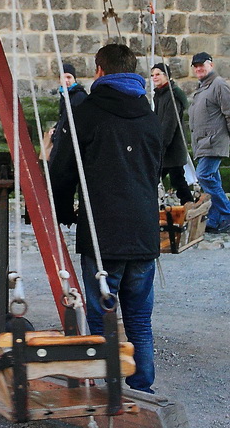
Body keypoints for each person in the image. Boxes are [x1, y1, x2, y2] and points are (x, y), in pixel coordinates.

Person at [49, 43, 161, 393]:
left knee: (100, 318)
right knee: (140, 321)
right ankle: (142, 388)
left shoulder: (86, 112)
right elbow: (154, 171)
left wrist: (63, 211)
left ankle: (107, 390)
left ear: (100, 70)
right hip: (142, 231)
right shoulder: (149, 116)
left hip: (103, 231)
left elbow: (62, 170)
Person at [189, 51, 230, 233]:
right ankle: (215, 218)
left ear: (210, 64)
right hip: (203, 142)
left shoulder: (218, 84)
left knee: (204, 175)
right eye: (195, 66)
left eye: (201, 65)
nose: (198, 69)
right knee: (212, 179)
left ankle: (228, 212)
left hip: (213, 141)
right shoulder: (203, 87)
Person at [150, 62, 192, 205]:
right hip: (164, 147)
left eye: (157, 74)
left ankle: (189, 205)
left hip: (172, 148)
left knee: (177, 180)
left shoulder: (173, 96)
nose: (154, 78)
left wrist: (160, 146)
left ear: (166, 76)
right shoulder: (160, 95)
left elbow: (169, 124)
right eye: (152, 75)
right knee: (161, 179)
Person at [48, 62, 88, 152]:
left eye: (69, 77)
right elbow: (63, 117)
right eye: (63, 77)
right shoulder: (65, 96)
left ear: (74, 79)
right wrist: (55, 128)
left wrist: (57, 133)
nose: (66, 81)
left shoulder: (79, 96)